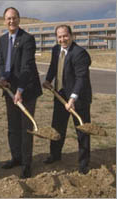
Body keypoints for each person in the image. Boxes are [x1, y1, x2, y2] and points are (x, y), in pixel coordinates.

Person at [0, 7, 42, 179]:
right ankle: (16, 158)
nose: (11, 21)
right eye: (8, 18)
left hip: (27, 91)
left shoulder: (27, 39)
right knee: (13, 127)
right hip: (9, 90)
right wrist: (3, 77)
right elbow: (1, 62)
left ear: (19, 19)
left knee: (26, 128)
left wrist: (20, 90)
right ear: (4, 20)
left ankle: (26, 164)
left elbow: (26, 67)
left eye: (14, 18)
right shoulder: (2, 40)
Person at [42, 24, 92, 175]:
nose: (62, 39)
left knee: (82, 130)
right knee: (57, 128)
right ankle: (55, 155)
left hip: (79, 99)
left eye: (65, 36)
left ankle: (83, 163)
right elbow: (53, 66)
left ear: (71, 36)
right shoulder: (56, 49)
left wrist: (73, 98)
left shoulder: (79, 53)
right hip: (60, 95)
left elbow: (81, 78)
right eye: (59, 36)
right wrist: (48, 80)